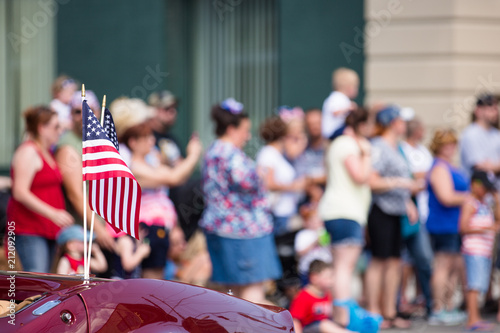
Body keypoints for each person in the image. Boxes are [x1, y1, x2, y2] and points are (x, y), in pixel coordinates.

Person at [200, 98, 281, 304]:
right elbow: (247, 181)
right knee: (253, 295)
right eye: (245, 130)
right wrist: (261, 172)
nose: (248, 136)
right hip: (243, 232)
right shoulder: (229, 153)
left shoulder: (213, 150)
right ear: (231, 129)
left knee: (233, 296)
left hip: (222, 229)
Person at [121, 120, 202, 279]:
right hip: (148, 229)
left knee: (160, 279)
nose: (152, 141)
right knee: (152, 282)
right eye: (146, 137)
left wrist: (175, 226)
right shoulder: (134, 168)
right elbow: (173, 178)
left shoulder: (152, 164)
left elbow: (177, 178)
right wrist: (193, 155)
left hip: (161, 229)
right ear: (133, 142)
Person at [366, 105, 420, 329]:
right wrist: (401, 184)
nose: (404, 124)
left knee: (395, 261)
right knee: (379, 260)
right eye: (400, 120)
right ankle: (374, 312)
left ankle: (390, 311)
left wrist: (407, 202)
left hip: (396, 210)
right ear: (392, 123)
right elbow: (373, 180)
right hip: (381, 210)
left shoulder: (397, 147)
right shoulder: (379, 146)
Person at [318, 107, 373, 328]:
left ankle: (341, 317)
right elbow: (360, 176)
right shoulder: (349, 144)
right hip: (345, 212)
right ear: (361, 125)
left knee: (340, 265)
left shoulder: (337, 144)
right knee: (345, 267)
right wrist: (367, 154)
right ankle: (343, 319)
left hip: (337, 212)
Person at [7, 106, 74, 272]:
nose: (60, 131)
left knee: (47, 281)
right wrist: (53, 213)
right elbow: (20, 192)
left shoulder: (47, 152)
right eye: (56, 127)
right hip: (30, 229)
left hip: (48, 229)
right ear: (42, 128)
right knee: (37, 281)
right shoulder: (28, 151)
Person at [55, 91, 116, 255]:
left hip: (101, 228)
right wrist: (99, 229)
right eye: (77, 111)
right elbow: (75, 194)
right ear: (70, 114)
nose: (84, 115)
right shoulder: (68, 147)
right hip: (80, 235)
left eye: (89, 110)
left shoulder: (98, 140)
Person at [426, 129, 469, 326]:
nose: (450, 147)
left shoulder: (450, 166)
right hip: (443, 224)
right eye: (446, 144)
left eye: (453, 143)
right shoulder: (439, 168)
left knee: (453, 268)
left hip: (455, 224)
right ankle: (437, 308)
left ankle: (448, 305)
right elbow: (446, 197)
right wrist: (470, 198)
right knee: (443, 266)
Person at [399, 117, 434, 315]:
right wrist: (419, 177)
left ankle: (425, 300)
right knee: (404, 260)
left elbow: (427, 177)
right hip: (406, 212)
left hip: (424, 212)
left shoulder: (423, 150)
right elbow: (413, 178)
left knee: (423, 260)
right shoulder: (403, 149)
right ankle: (402, 300)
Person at [459, 170, 500, 331]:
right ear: (475, 185)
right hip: (473, 250)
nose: (487, 191)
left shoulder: (485, 204)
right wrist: (486, 228)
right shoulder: (470, 203)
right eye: (485, 187)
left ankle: (477, 317)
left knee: (480, 284)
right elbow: (463, 227)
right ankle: (472, 319)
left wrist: (497, 200)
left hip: (484, 251)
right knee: (474, 285)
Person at [257, 115, 307, 236]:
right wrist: (294, 186)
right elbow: (268, 183)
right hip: (277, 214)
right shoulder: (268, 153)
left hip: (285, 212)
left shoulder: (277, 154)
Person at [289, 260, 356, 333]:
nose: (331, 281)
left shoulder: (327, 294)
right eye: (327, 278)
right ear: (314, 278)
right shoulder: (303, 296)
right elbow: (295, 321)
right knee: (324, 324)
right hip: (309, 329)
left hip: (325, 327)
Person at [460, 94, 500, 179]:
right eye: (491, 108)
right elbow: (479, 167)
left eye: (496, 108)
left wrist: (493, 166)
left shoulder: (497, 134)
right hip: (479, 188)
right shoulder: (470, 134)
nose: (495, 112)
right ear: (478, 111)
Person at [294, 108, 328, 203]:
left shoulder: (330, 147)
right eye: (311, 124)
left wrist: (312, 180)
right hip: (303, 202)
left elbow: (335, 175)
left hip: (328, 201)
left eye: (317, 123)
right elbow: (296, 174)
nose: (315, 127)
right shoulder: (301, 148)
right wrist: (310, 188)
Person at [294, 204, 332, 286]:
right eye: (313, 221)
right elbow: (300, 252)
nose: (316, 224)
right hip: (307, 270)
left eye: (318, 221)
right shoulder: (303, 234)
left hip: (324, 269)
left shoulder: (324, 232)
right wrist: (315, 242)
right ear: (307, 222)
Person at [147, 90, 183, 167]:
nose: (173, 112)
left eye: (175, 108)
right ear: (153, 110)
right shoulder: (144, 138)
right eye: (167, 108)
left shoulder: (172, 139)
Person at [321, 68, 359, 140]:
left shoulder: (343, 98)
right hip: (332, 131)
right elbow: (335, 112)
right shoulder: (337, 97)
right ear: (348, 87)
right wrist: (349, 108)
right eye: (355, 87)